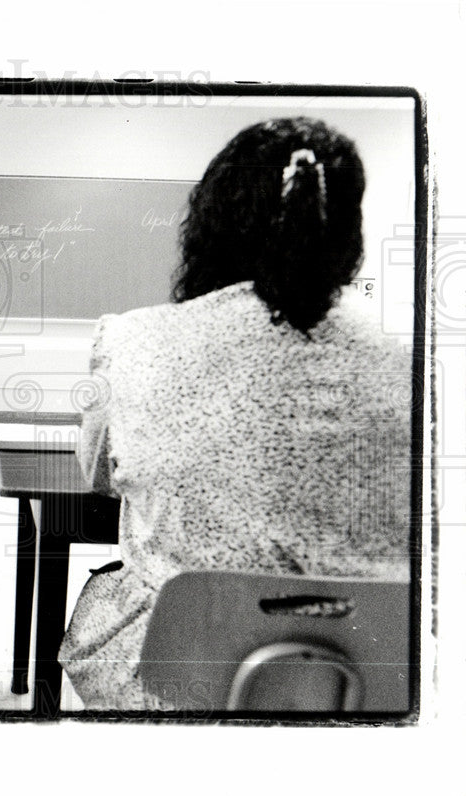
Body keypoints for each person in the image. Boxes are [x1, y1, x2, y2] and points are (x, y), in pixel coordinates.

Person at [57, 117, 413, 710]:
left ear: (209, 222)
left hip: (175, 673)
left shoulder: (132, 341)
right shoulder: (408, 365)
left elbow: (96, 475)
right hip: (373, 671)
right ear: (347, 234)